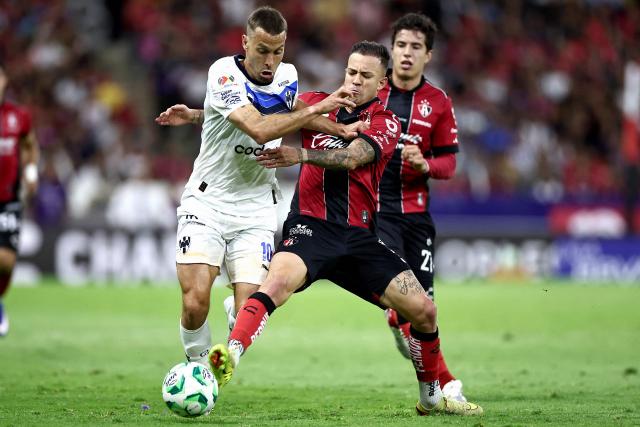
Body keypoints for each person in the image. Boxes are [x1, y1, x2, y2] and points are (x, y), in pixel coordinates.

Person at [209, 41, 483, 416]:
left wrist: (301, 154)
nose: (355, 81)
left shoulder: (386, 122)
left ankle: (431, 396)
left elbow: (355, 158)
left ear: (382, 82)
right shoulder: (312, 101)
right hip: (310, 228)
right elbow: (254, 116)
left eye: (365, 76)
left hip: (359, 239)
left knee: (425, 311)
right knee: (274, 286)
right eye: (351, 72)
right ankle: (229, 356)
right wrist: (198, 114)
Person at [154, 6, 358, 368]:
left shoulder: (287, 75)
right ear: (245, 42)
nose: (270, 60)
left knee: (252, 309)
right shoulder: (222, 73)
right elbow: (261, 128)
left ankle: (225, 338)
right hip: (208, 200)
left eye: (278, 51)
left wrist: (338, 128)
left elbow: (284, 106)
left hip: (257, 206)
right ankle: (197, 368)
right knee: (195, 301)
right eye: (262, 50)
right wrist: (321, 106)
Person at [374, 12, 467, 402]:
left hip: (417, 217)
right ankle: (445, 386)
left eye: (415, 47)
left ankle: (424, 367)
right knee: (405, 304)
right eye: (400, 45)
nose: (406, 53)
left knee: (424, 308)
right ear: (391, 49)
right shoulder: (372, 92)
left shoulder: (438, 102)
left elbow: (449, 162)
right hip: (376, 214)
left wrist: (426, 164)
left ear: (428, 55)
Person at [0, 63, 39, 336]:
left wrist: (30, 171)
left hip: (8, 199)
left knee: (7, 263)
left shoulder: (18, 116)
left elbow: (29, 144)